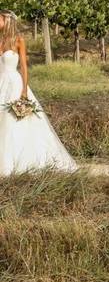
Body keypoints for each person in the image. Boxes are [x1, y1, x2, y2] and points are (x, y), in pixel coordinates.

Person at [0, 10, 77, 175]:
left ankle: (19, 161)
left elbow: (24, 67)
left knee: (15, 120)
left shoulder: (18, 40)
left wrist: (24, 91)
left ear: (7, 21)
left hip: (14, 83)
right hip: (1, 82)